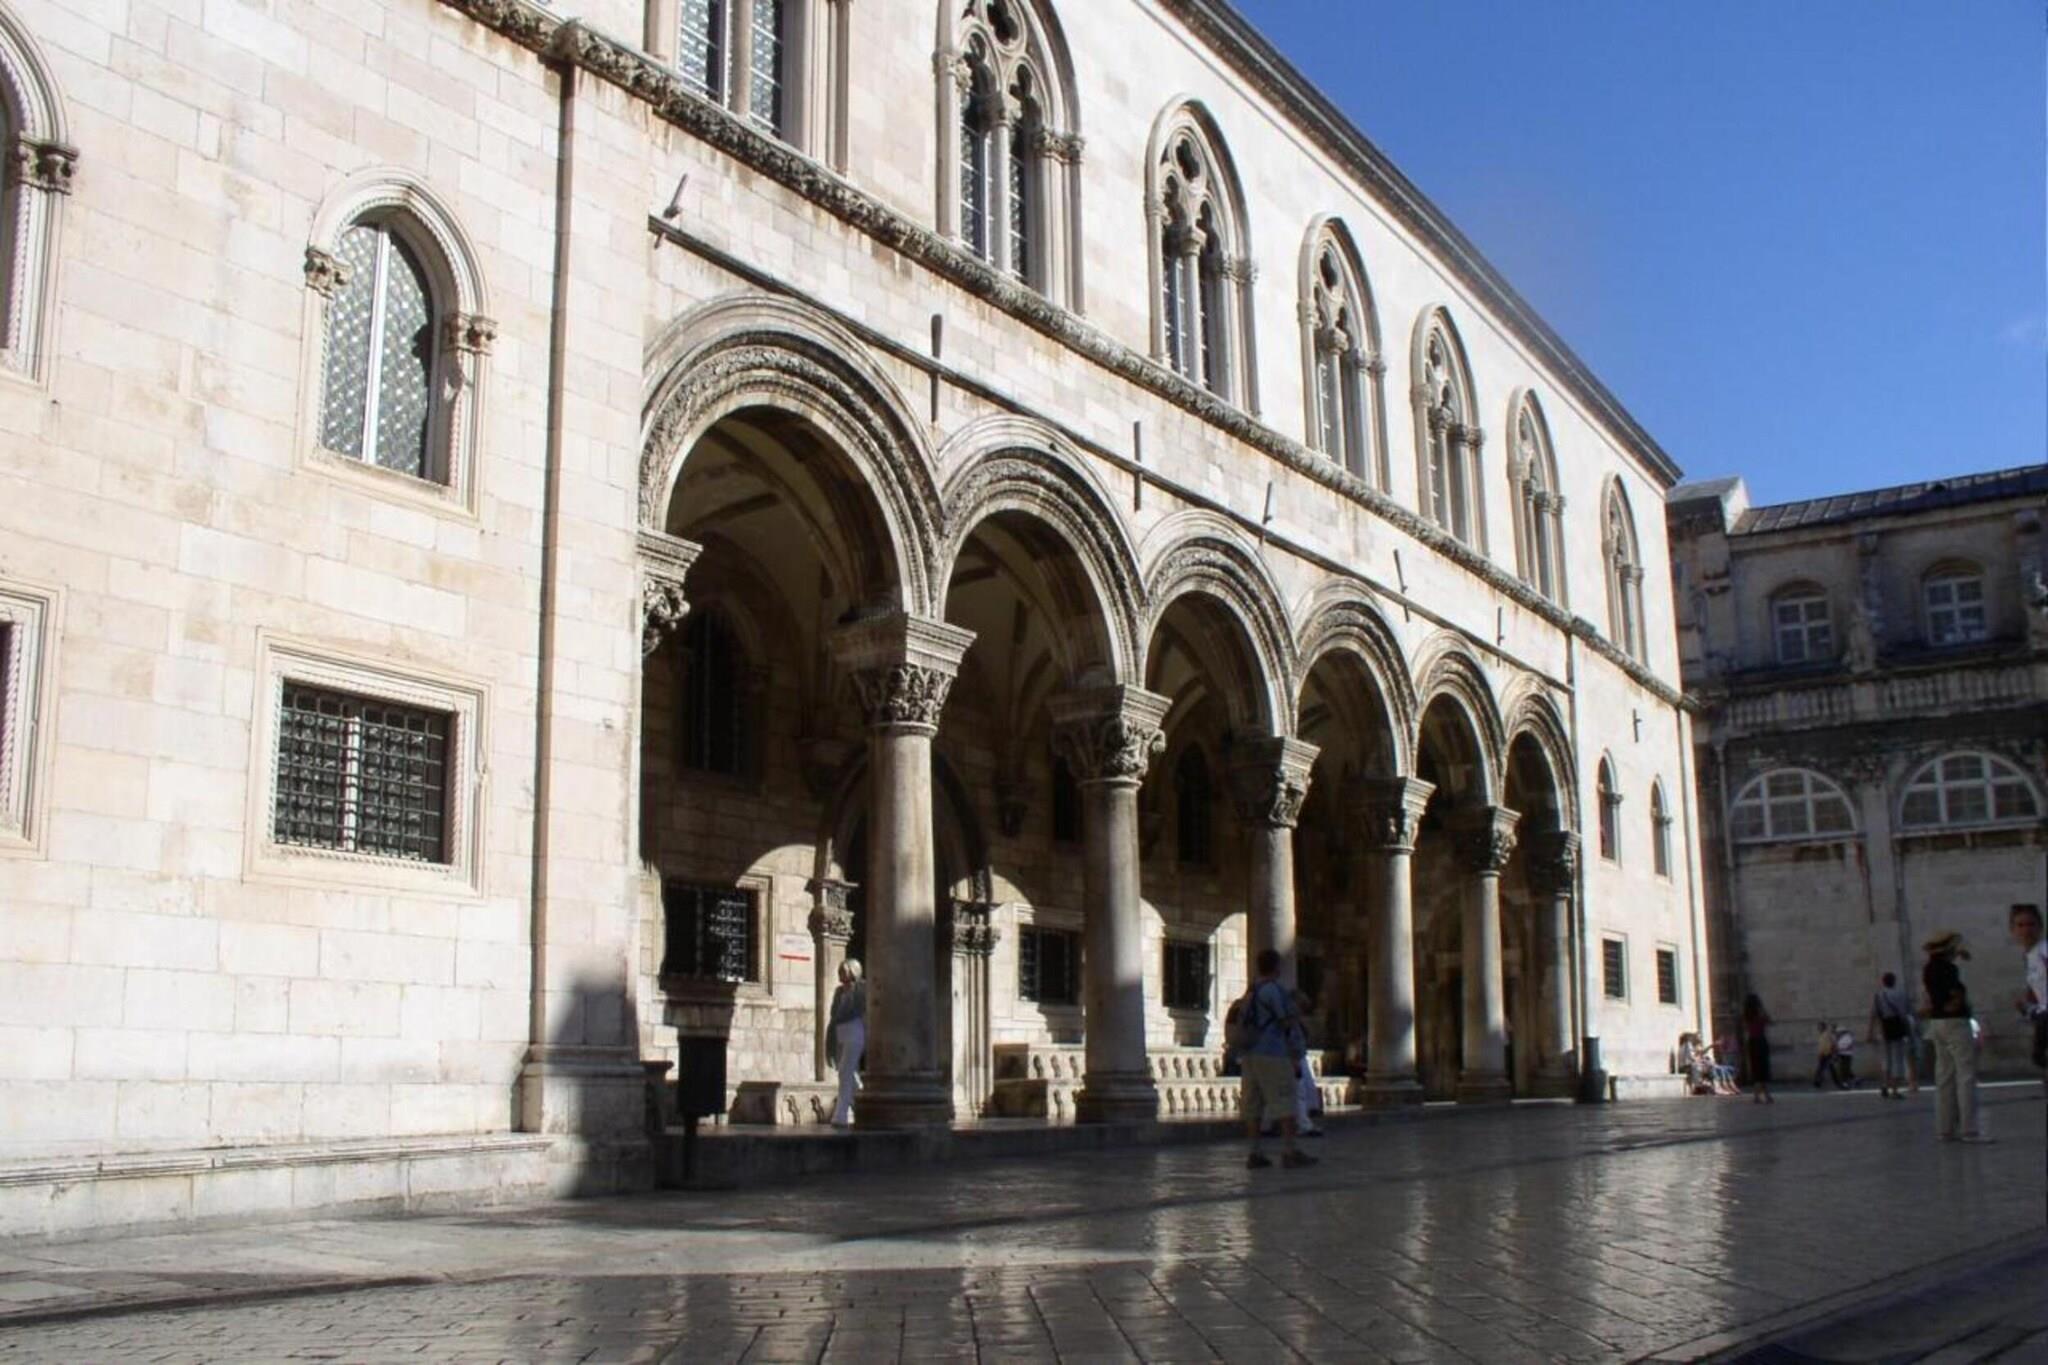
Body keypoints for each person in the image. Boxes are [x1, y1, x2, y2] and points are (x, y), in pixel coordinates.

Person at [1234, 950, 1316, 1170]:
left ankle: (1255, 1152)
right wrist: (1296, 1053)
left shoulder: (1250, 993)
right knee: (1285, 1100)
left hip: (1249, 1053)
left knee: (1253, 1104)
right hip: (1273, 1052)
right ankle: (1290, 1151)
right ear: (1277, 967)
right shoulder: (1274, 991)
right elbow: (1286, 1022)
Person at [1921, 931, 1987, 1143]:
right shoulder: (1949, 969)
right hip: (1955, 1023)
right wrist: (1956, 1003)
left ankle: (1945, 1129)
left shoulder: (1929, 968)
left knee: (1944, 1076)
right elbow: (1956, 994)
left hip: (1937, 1023)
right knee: (1965, 1075)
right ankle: (1969, 1129)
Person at [825, 959, 866, 1128]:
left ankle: (840, 1115)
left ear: (853, 971)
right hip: (840, 1032)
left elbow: (860, 1009)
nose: (841, 974)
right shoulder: (839, 991)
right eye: (840, 971)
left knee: (844, 1071)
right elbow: (833, 1014)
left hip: (855, 1031)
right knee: (850, 1074)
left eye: (844, 971)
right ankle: (864, 1104)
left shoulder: (861, 988)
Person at [2010, 903, 2047, 1072]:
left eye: (2031, 924)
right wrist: (2027, 1006)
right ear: (2013, 929)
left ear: (2040, 927)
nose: (2026, 930)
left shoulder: (2044, 951)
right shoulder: (2030, 955)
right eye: (2020, 925)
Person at [1867, 971, 1913, 1099]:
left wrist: (1870, 1033)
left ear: (1883, 982)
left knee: (1886, 1058)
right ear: (1894, 981)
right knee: (1897, 1058)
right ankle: (1895, 1090)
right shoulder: (1902, 994)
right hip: (1898, 1027)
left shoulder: (1879, 995)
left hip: (1884, 1028)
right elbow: (1907, 1013)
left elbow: (1874, 1015)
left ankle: (1885, 1085)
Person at [1741, 994, 1775, 1104]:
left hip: (1751, 1042)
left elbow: (1746, 1028)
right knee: (1763, 1069)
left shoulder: (1746, 1016)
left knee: (1756, 1069)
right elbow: (1770, 1021)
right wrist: (1763, 1009)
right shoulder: (1760, 1015)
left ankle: (1757, 1096)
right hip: (1761, 1041)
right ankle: (1766, 1095)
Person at [1811, 1021, 1839, 1089]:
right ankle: (1817, 1082)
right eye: (1818, 1027)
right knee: (1823, 1069)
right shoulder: (1823, 1035)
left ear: (1823, 1027)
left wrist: (1822, 1053)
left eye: (1820, 1027)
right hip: (1825, 1054)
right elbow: (1823, 1046)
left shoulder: (1825, 1035)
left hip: (1826, 1054)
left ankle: (1818, 1082)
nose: (1818, 1028)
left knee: (1824, 1069)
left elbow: (1827, 1045)